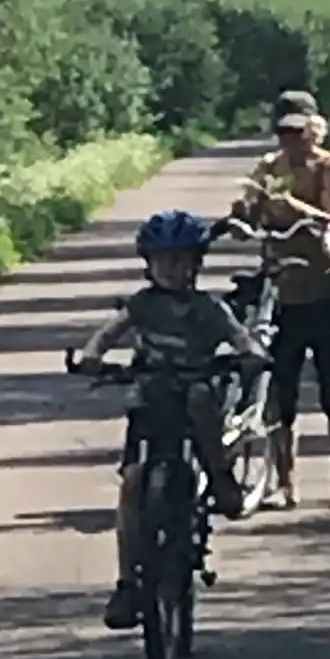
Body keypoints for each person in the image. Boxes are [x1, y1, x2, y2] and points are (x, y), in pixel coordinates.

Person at [74, 209, 269, 632]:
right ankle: (127, 584)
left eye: (183, 261)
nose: (174, 270)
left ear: (198, 264)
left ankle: (219, 476)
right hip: (152, 398)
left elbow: (239, 337)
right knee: (131, 483)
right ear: (149, 265)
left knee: (201, 397)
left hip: (195, 395)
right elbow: (110, 331)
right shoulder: (143, 305)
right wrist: (93, 356)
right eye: (165, 262)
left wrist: (251, 353)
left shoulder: (208, 308)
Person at [231, 89, 330, 510]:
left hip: (329, 289)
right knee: (279, 387)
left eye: (297, 130)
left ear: (313, 129)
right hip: (285, 291)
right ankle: (284, 484)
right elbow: (250, 205)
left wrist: (304, 214)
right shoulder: (270, 167)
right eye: (282, 131)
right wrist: (242, 213)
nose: (289, 140)